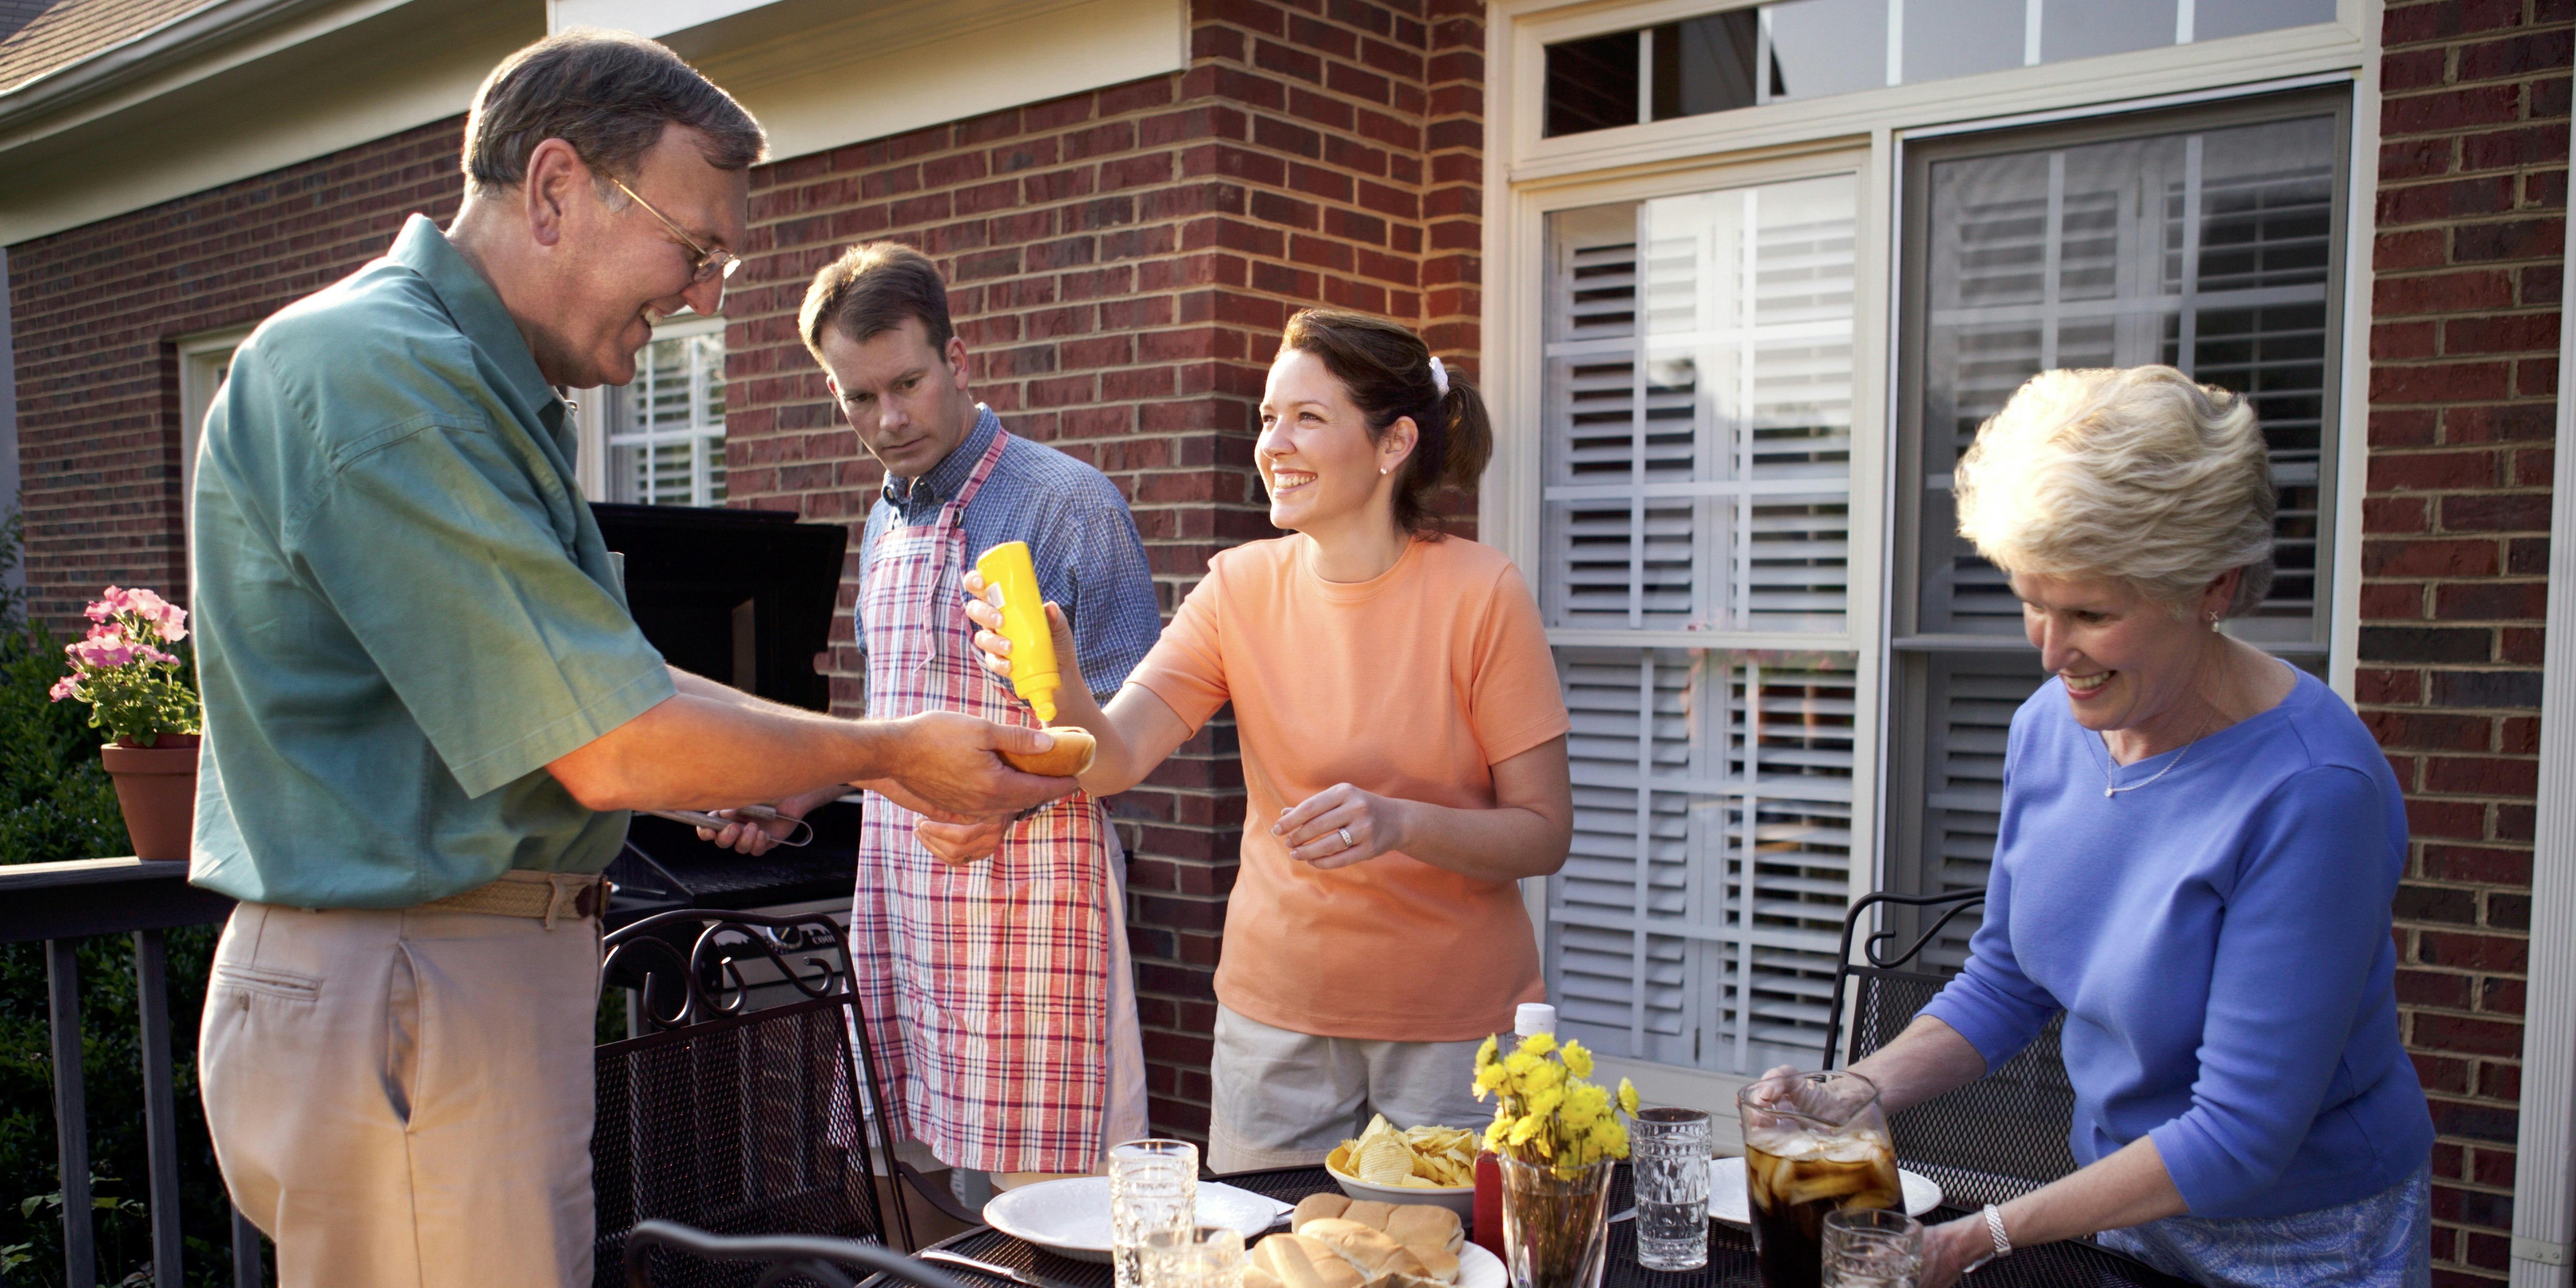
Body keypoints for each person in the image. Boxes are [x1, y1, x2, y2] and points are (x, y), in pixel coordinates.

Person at [186, 33, 1071, 1288]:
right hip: (414, 982)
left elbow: (621, 682)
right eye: (697, 247)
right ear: (554, 189)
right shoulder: (386, 375)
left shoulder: (469, 387)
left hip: (442, 982)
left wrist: (803, 760)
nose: (709, 295)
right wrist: (888, 755)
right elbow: (608, 738)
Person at [1782, 366, 2431, 1287]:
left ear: (2211, 587)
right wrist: (1850, 1094)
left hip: (2303, 1242)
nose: (2049, 652)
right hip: (2124, 1210)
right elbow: (2007, 983)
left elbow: (2239, 1135)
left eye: (2089, 613)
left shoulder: (2312, 791)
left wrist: (1979, 1237)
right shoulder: (2048, 729)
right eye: (2029, 602)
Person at [955, 309, 1575, 1172]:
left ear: (1394, 443)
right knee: (1268, 1260)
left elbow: (1544, 831)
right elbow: (1116, 758)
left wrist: (1400, 822)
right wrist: (1055, 676)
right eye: (1267, 418)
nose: (1274, 443)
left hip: (1455, 1035)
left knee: (1443, 1265)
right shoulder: (1237, 588)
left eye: (1307, 418)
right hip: (1274, 1023)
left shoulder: (1484, 593)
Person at [701, 241, 1160, 1185]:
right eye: (859, 397)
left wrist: (1002, 801)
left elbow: (1128, 720)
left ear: (960, 359)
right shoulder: (884, 519)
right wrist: (804, 792)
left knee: (1050, 1199)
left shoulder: (1069, 503)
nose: (889, 418)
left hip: (1037, 906)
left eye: (907, 383)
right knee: (925, 1176)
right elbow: (893, 715)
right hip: (907, 895)